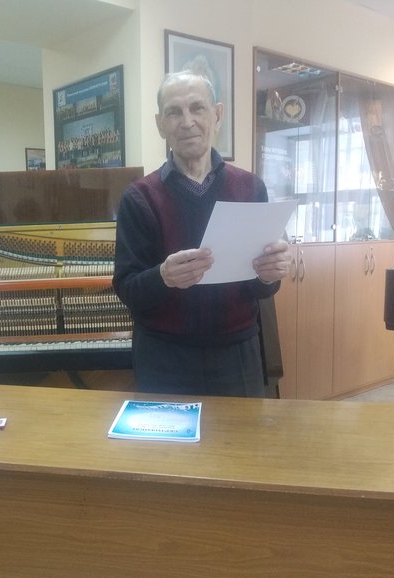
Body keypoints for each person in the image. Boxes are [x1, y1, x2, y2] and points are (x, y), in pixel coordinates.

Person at [113, 71, 291, 397]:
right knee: (166, 435)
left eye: (197, 108)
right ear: (160, 124)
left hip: (238, 353)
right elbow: (126, 289)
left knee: (240, 433)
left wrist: (270, 274)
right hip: (164, 356)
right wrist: (163, 277)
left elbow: (262, 288)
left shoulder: (250, 188)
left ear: (217, 115)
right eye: (173, 112)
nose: (187, 122)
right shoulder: (139, 198)